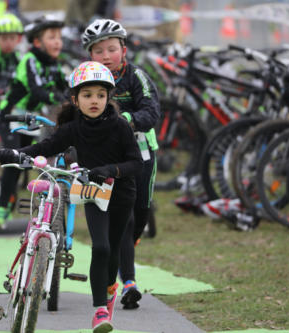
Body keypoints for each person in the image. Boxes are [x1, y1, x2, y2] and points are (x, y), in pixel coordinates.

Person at [0, 61, 142, 333]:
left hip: (122, 193)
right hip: (93, 193)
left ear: (108, 97)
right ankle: (100, 311)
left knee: (113, 249)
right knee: (100, 248)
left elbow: (136, 164)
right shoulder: (73, 128)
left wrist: (110, 170)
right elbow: (46, 146)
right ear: (75, 100)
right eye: (87, 96)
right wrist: (16, 154)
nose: (95, 101)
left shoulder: (120, 127)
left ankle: (111, 288)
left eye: (100, 95)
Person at [82, 18, 161, 309]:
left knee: (140, 214)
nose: (106, 56)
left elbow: (152, 110)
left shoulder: (136, 76)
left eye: (111, 49)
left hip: (141, 154)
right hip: (109, 161)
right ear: (90, 55)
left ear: (124, 49)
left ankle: (125, 250)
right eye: (98, 51)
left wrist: (126, 120)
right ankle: (128, 282)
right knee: (124, 220)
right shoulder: (87, 78)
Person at [0, 15, 68, 227]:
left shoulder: (54, 64)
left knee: (38, 162)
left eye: (59, 37)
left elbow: (65, 87)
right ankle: (3, 209)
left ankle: (46, 208)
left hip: (33, 118)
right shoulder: (29, 60)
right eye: (52, 37)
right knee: (15, 162)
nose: (58, 42)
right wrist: (59, 99)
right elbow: (37, 90)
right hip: (11, 115)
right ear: (37, 42)